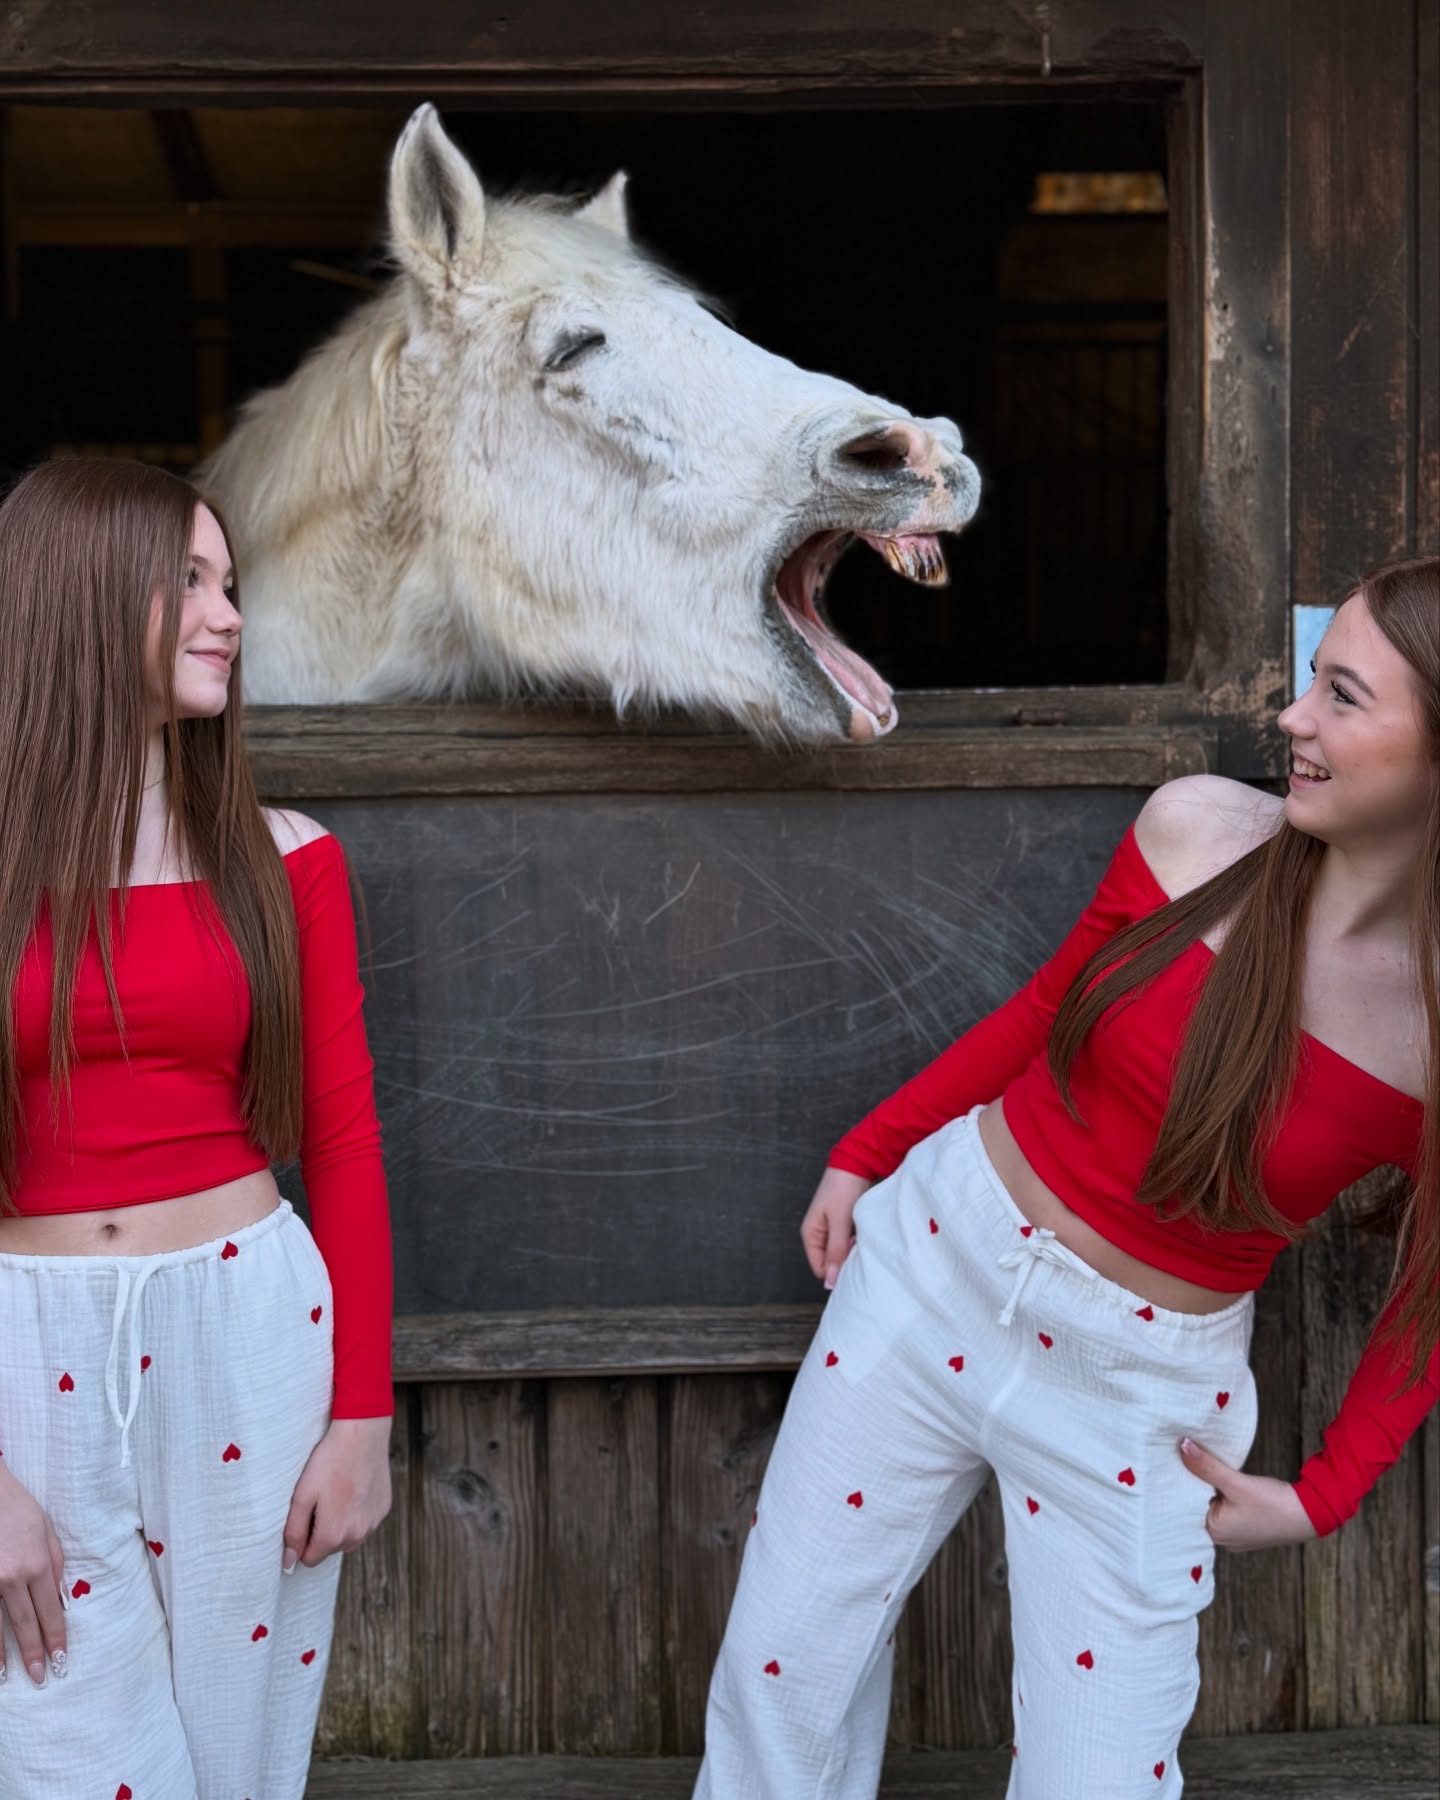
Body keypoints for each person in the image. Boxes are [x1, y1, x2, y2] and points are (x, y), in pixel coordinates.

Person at [695, 556, 1438, 1798]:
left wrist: (1323, 1495)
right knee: (781, 1674)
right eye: (1311, 681)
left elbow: (1428, 1289)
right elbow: (1050, 1012)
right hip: (937, 1269)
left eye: (1345, 696)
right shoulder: (1197, 828)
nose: (1295, 718)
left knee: (1100, 1775)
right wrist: (869, 1149)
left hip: (1137, 1388)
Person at [0, 459, 394, 1799]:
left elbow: (342, 1144)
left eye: (230, 586)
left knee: (236, 1763)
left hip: (248, 1337)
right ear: (77, 598)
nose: (228, 615)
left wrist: (362, 1420)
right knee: (65, 1751)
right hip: (25, 1347)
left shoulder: (288, 860)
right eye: (187, 583)